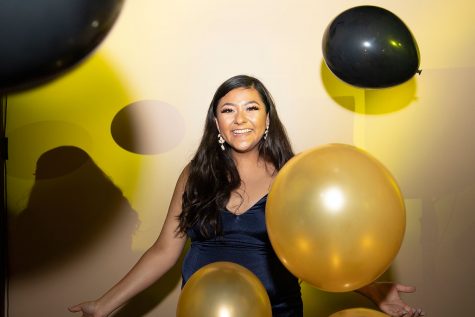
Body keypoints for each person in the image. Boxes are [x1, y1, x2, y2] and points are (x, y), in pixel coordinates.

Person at [69, 75, 425, 317]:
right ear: (216, 122)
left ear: (267, 118)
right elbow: (165, 250)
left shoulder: (295, 175)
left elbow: (322, 252)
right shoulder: (195, 174)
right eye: (228, 109)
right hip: (207, 310)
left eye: (251, 107)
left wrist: (375, 292)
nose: (240, 118)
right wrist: (104, 305)